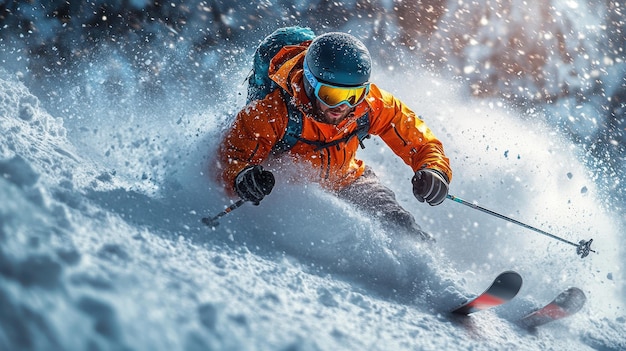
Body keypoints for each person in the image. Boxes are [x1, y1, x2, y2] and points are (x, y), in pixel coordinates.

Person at [212, 30, 452, 241]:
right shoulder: (270, 113)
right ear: (309, 83)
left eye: (354, 94)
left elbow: (421, 141)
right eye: (331, 95)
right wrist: (243, 178)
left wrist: (434, 169)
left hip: (349, 179)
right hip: (291, 193)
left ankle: (433, 277)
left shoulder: (370, 104)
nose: (343, 106)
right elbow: (231, 159)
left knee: (399, 225)